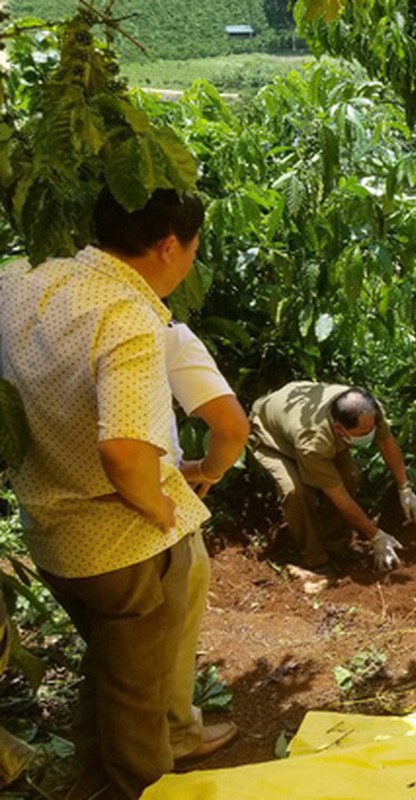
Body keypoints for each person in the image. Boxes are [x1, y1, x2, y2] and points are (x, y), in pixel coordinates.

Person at [0, 188, 212, 798]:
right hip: (119, 547)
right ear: (168, 245)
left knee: (111, 667)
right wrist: (160, 506)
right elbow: (123, 452)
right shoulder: (128, 317)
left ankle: (89, 775)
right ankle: (139, 787)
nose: (190, 263)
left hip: (49, 532)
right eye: (193, 250)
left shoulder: (21, 276)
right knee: (137, 698)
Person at [162, 321, 250, 762]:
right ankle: (174, 735)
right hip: (148, 516)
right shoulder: (151, 324)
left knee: (111, 643)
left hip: (51, 527)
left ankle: (108, 742)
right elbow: (233, 427)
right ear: (168, 247)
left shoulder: (21, 297)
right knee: (170, 629)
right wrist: (208, 471)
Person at [248, 381, 416, 572]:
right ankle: (316, 558)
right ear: (340, 429)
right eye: (364, 433)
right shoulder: (313, 442)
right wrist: (376, 536)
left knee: (351, 477)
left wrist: (404, 488)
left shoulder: (368, 410)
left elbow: (387, 443)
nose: (370, 434)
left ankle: (337, 544)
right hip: (272, 438)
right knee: (296, 492)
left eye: (371, 429)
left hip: (295, 420)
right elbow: (337, 494)